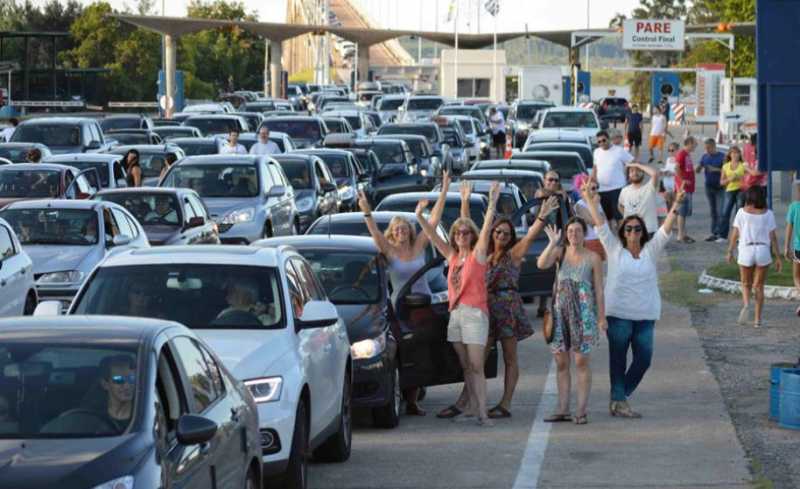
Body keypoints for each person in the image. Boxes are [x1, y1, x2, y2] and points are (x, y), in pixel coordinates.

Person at [579, 179, 686, 418]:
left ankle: (620, 396)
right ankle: (619, 401)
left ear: (642, 232)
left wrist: (676, 204)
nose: (633, 233)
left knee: (644, 359)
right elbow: (600, 224)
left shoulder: (651, 250)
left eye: (637, 229)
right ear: (623, 232)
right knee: (617, 360)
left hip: (645, 315)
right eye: (629, 229)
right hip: (618, 314)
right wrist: (589, 199)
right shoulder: (614, 249)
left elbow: (666, 229)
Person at [452, 186, 559, 419]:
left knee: (510, 357)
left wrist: (542, 215)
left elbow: (530, 235)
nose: (501, 236)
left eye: (506, 234)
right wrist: (464, 201)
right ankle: (467, 400)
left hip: (508, 308)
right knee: (477, 360)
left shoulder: (514, 254)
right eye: (498, 232)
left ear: (511, 238)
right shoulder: (482, 253)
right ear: (492, 233)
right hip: (485, 308)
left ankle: (506, 403)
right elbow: (467, 226)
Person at [358, 171, 452, 416]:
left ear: (410, 231)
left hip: (424, 307)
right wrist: (366, 211)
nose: (401, 232)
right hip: (400, 309)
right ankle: (404, 394)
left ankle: (413, 400)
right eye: (396, 229)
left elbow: (433, 220)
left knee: (423, 353)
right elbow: (375, 233)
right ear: (392, 233)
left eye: (404, 229)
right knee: (405, 353)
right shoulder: (389, 251)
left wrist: (443, 190)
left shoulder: (419, 246)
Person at [416, 182, 498, 426]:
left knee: (476, 365)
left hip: (475, 314)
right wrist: (419, 215)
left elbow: (485, 230)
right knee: (466, 366)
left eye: (466, 232)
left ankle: (483, 413)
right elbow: (432, 236)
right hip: (456, 315)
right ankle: (472, 408)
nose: (461, 235)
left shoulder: (477, 255)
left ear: (471, 236)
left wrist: (492, 203)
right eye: (458, 233)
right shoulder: (452, 256)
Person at [537, 218, 605, 425]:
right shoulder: (560, 252)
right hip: (560, 315)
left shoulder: (593, 257)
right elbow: (541, 264)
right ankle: (563, 409)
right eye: (570, 231)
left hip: (584, 316)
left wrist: (601, 317)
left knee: (581, 362)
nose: (574, 234)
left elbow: (599, 290)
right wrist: (551, 243)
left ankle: (581, 410)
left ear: (584, 234)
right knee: (561, 362)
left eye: (578, 231)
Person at [727, 187, 782, 328]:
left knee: (746, 283)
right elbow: (773, 237)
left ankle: (746, 305)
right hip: (763, 250)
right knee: (759, 286)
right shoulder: (768, 214)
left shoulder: (741, 213)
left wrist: (730, 251)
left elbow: (735, 234)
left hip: (746, 249)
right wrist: (778, 257)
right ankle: (757, 320)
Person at [591, 130, 634, 225]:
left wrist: (629, 177)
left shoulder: (619, 150)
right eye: (599, 142)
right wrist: (592, 181)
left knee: (620, 217)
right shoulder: (596, 152)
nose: (602, 143)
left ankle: (621, 234)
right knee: (607, 218)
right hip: (602, 190)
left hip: (617, 189)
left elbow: (632, 162)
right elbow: (595, 168)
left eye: (603, 140)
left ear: (609, 139)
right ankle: (611, 234)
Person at [618, 162, 660, 238]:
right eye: (632, 171)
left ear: (643, 173)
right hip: (630, 232)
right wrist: (628, 218)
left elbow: (655, 174)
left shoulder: (650, 187)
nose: (635, 173)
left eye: (638, 170)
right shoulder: (624, 190)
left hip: (648, 231)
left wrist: (637, 164)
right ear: (628, 175)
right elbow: (620, 206)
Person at [696, 139, 726, 242]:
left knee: (720, 211)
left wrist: (715, 169)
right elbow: (698, 169)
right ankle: (714, 233)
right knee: (713, 211)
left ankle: (721, 233)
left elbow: (727, 171)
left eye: (708, 148)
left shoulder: (722, 156)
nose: (707, 150)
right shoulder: (705, 157)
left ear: (713, 146)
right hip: (709, 186)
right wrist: (698, 168)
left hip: (720, 187)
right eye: (705, 148)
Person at [99, 355, 136, 431]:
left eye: (131, 378)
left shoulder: (144, 414)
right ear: (105, 384)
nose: (127, 386)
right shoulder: (95, 415)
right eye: (119, 380)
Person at [573, 173, 606, 260]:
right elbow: (595, 222)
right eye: (592, 188)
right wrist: (595, 205)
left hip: (602, 239)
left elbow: (605, 222)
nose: (595, 191)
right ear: (581, 191)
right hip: (589, 241)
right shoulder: (579, 205)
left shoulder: (597, 202)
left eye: (596, 188)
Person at [719, 146, 746, 240]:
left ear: (739, 154)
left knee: (739, 214)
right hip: (729, 190)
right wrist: (729, 179)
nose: (735, 155)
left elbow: (747, 177)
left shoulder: (743, 165)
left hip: (741, 190)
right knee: (725, 213)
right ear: (729, 155)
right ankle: (723, 235)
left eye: (737, 153)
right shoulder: (725, 166)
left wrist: (740, 178)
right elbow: (721, 182)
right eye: (733, 153)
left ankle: (739, 236)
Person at [674, 136, 697, 243]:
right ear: (689, 143)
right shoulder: (682, 154)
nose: (696, 146)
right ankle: (680, 235)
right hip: (683, 188)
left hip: (688, 187)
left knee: (685, 212)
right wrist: (682, 180)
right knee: (682, 212)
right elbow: (676, 168)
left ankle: (683, 233)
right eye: (695, 144)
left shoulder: (687, 154)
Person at [784, 188, 800, 316]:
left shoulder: (794, 207)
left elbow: (789, 228)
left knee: (796, 276)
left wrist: (786, 247)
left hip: (798, 248)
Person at [741, 133, 766, 199]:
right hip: (751, 185)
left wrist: (746, 168)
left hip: (760, 186)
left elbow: (756, 172)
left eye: (752, 143)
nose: (752, 146)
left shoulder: (764, 155)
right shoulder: (756, 154)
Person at [661, 142, 679, 210]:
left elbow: (681, 173)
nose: (670, 152)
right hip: (667, 183)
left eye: (672, 150)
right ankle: (669, 215)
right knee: (668, 204)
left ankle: (675, 216)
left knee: (675, 205)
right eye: (669, 150)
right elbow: (667, 168)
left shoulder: (679, 159)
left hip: (675, 183)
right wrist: (663, 172)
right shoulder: (668, 159)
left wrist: (672, 173)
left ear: (677, 150)